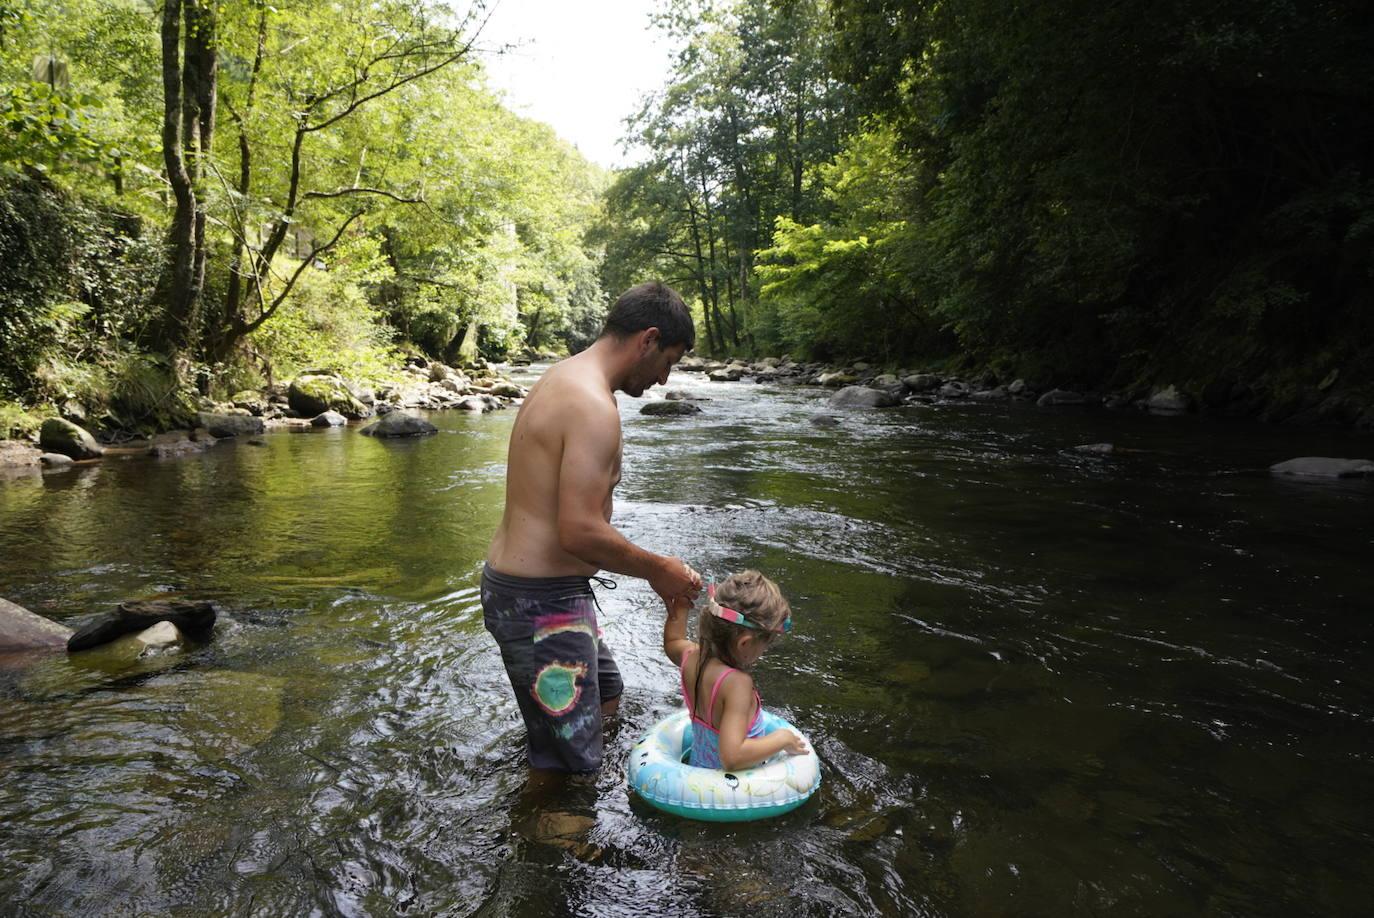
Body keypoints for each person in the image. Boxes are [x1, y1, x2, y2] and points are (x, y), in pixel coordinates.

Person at [483, 281, 703, 777]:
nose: (665, 380)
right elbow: (578, 532)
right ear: (647, 339)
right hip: (542, 606)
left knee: (607, 695)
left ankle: (551, 773)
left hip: (538, 595)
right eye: (669, 360)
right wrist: (658, 570)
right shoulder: (592, 406)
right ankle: (551, 835)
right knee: (572, 766)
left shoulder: (565, 377)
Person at [662, 570, 809, 771]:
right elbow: (732, 757)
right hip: (732, 796)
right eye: (766, 644)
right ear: (744, 643)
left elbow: (672, 640)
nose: (764, 651)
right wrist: (782, 739)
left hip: (697, 774)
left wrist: (681, 602)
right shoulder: (737, 684)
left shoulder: (691, 656)